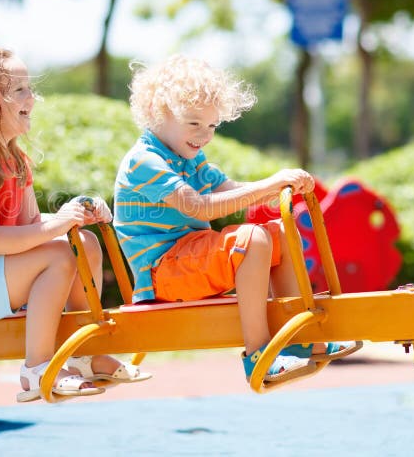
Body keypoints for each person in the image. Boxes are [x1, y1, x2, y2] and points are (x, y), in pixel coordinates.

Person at [114, 54, 361, 385]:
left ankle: (299, 339)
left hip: (191, 257)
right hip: (162, 272)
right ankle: (258, 353)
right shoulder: (144, 161)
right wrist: (270, 183)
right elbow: (199, 207)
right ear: (160, 113)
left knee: (278, 233)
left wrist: (281, 187)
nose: (204, 135)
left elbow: (231, 191)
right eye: (194, 124)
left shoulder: (190, 158)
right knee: (253, 239)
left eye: (212, 126)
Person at [0, 47, 149, 403]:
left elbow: (28, 225)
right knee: (59, 255)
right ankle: (37, 368)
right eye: (20, 90)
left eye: (30, 88)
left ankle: (84, 355)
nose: (33, 97)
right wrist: (57, 226)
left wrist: (73, 217)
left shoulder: (16, 159)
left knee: (84, 243)